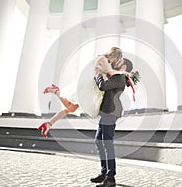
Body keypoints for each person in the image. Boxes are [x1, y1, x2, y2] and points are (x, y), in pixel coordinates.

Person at [38, 47, 123, 138]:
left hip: (94, 87)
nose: (115, 61)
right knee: (71, 108)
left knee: (71, 108)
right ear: (113, 55)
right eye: (116, 59)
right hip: (90, 87)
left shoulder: (103, 59)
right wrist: (125, 74)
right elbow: (110, 72)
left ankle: (49, 123)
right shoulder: (103, 59)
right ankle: (57, 92)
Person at [90, 58, 138, 187]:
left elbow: (103, 86)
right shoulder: (115, 77)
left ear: (123, 68)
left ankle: (110, 178)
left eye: (119, 63)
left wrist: (99, 75)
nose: (116, 63)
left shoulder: (119, 78)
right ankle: (104, 173)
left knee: (107, 144)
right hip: (107, 112)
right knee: (99, 141)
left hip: (111, 112)